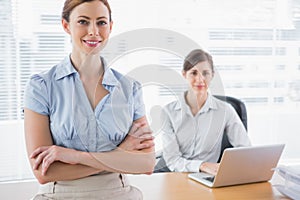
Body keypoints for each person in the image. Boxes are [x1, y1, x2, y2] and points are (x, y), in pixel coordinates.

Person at [23, 0, 155, 199]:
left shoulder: (129, 88)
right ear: (66, 26)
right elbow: (44, 172)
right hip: (60, 195)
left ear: (110, 27)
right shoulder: (42, 86)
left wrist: (74, 156)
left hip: (119, 193)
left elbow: (146, 164)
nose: (93, 31)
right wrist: (120, 155)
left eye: (101, 22)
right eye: (83, 22)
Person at [160, 49, 251, 175]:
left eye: (205, 73)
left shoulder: (225, 111)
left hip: (207, 176)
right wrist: (202, 165)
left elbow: (245, 150)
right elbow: (172, 160)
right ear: (184, 74)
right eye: (194, 73)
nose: (200, 79)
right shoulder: (168, 112)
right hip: (174, 173)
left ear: (212, 75)